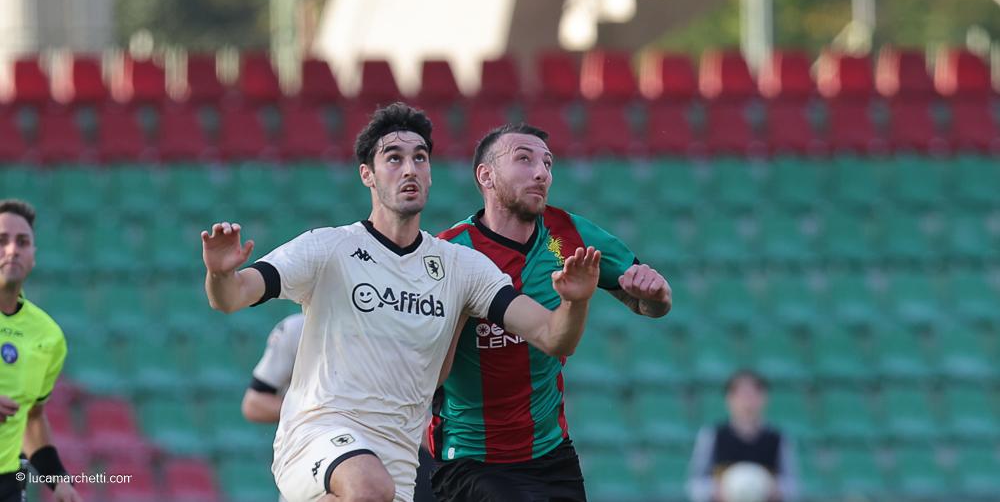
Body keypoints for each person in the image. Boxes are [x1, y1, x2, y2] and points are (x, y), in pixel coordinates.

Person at [202, 103, 603, 502]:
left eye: (420, 158)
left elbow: (553, 337)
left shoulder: (461, 268)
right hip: (318, 433)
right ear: (368, 175)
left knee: (372, 487)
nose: (410, 168)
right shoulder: (329, 248)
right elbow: (233, 296)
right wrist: (221, 274)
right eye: (393, 158)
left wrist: (577, 303)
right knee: (368, 486)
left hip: (399, 460)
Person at [429, 123, 673, 502]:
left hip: (551, 453)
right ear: (486, 176)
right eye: (524, 159)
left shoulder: (568, 234)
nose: (541, 172)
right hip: (471, 459)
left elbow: (650, 303)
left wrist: (655, 293)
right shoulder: (450, 253)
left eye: (547, 162)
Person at [241, 312, 436, 502]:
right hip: (318, 449)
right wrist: (324, 408)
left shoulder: (387, 334)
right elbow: (254, 403)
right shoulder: (297, 329)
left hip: (380, 451)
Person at [0, 200, 82, 502]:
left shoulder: (48, 336)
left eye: (22, 242)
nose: (12, 250)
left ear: (33, 256)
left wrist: (59, 480)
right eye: (1, 241)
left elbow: (32, 418)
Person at [687, 370, 800, 502]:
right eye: (741, 395)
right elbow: (695, 484)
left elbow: (792, 485)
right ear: (729, 399)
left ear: (764, 398)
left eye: (752, 394)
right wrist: (714, 490)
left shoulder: (777, 438)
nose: (747, 402)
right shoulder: (712, 436)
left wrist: (777, 489)